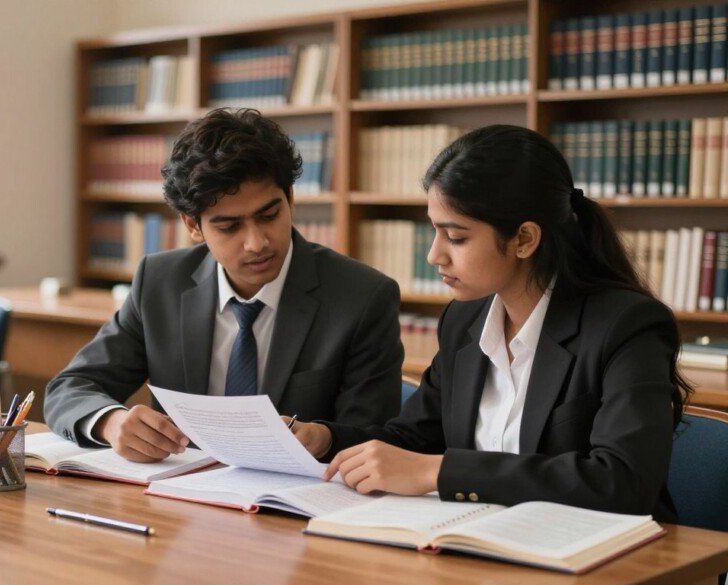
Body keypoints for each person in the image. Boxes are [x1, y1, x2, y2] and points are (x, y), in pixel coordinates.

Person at [290, 125, 691, 521]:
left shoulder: (627, 326)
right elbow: (411, 440)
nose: (434, 256)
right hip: (485, 544)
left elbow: (622, 482)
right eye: (434, 232)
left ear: (524, 240)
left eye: (456, 237)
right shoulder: (464, 319)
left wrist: (438, 471)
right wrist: (325, 437)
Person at [44, 108, 404, 463]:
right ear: (192, 225)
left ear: (290, 199)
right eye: (230, 227)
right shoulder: (159, 283)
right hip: (180, 500)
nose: (256, 243)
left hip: (294, 506)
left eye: (269, 215)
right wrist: (111, 422)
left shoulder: (363, 297)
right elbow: (69, 389)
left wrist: (325, 438)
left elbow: (379, 435)